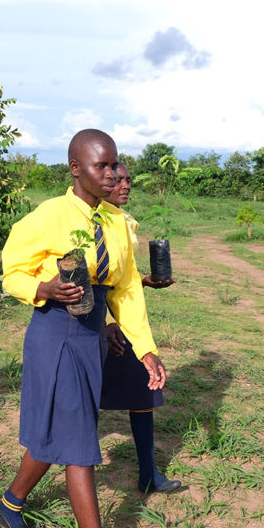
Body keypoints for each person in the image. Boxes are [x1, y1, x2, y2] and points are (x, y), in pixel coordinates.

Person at [0, 130, 164, 528]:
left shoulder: (116, 223)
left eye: (113, 164)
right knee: (80, 445)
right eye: (100, 166)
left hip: (93, 335)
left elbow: (125, 289)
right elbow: (12, 271)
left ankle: (10, 504)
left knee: (59, 432)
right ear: (75, 169)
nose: (111, 175)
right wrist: (44, 288)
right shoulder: (48, 216)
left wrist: (145, 349)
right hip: (56, 333)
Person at [100, 164, 182, 495]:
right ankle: (77, 475)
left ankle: (147, 473)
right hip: (96, 327)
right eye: (116, 180)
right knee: (85, 401)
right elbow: (86, 283)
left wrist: (145, 281)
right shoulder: (92, 223)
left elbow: (123, 282)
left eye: (128, 179)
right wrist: (104, 325)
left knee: (143, 392)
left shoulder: (123, 221)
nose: (124, 185)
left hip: (126, 325)